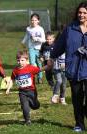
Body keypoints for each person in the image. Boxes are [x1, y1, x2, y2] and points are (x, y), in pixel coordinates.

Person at [47, 1, 87, 132]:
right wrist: (52, 57)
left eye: (85, 13)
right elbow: (59, 45)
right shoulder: (70, 28)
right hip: (74, 68)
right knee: (77, 98)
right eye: (79, 12)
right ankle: (79, 124)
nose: (81, 15)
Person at [6, 50, 48, 125]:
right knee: (25, 106)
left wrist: (48, 66)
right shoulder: (15, 70)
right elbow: (12, 79)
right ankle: (27, 120)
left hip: (32, 91)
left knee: (35, 106)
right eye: (18, 60)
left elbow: (40, 70)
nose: (20, 62)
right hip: (22, 92)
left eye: (22, 60)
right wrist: (8, 88)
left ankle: (35, 103)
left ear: (27, 60)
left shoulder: (30, 68)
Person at [21, 13, 46, 84]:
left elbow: (44, 40)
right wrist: (23, 42)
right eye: (32, 20)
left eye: (35, 20)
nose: (33, 22)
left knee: (39, 63)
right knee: (32, 62)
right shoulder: (28, 29)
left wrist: (37, 39)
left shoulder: (40, 29)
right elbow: (27, 36)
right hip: (31, 48)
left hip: (39, 49)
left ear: (38, 21)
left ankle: (40, 77)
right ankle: (33, 75)